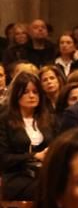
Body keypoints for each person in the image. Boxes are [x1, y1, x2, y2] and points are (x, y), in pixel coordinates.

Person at [0, 72, 54, 200]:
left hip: (44, 173)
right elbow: (3, 159)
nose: (31, 96)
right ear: (16, 95)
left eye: (35, 92)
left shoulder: (48, 118)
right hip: (16, 176)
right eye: (26, 92)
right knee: (47, 190)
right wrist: (34, 156)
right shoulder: (4, 121)